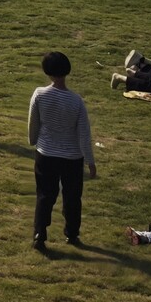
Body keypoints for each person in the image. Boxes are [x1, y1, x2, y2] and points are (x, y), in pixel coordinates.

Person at [28, 51, 96, 251]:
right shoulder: (76, 101)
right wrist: (90, 161)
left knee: (45, 195)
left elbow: (34, 123)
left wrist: (33, 141)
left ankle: (40, 233)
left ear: (47, 72)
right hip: (72, 157)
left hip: (46, 153)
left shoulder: (40, 95)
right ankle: (72, 233)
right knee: (73, 197)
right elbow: (83, 134)